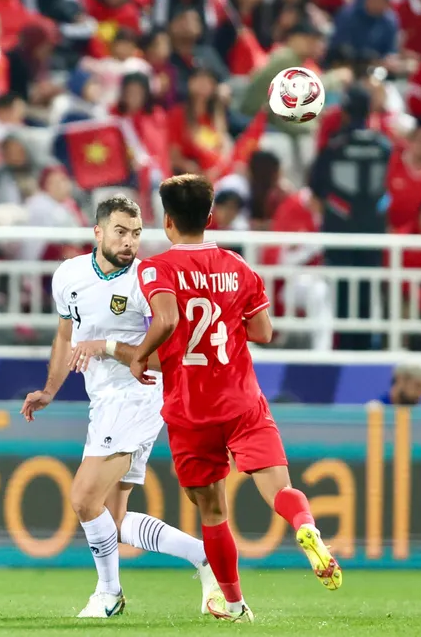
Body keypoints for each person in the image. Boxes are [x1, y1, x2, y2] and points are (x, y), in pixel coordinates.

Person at [69, 174, 343, 623]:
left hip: (190, 410)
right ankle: (306, 527)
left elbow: (168, 317)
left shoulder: (157, 269)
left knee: (213, 510)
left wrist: (136, 354)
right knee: (281, 489)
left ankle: (233, 603)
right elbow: (264, 332)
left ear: (167, 221)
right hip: (241, 400)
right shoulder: (238, 267)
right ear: (210, 218)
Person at [21, 196, 217, 618]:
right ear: (98, 232)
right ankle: (206, 556)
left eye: (136, 233)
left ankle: (109, 594)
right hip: (103, 401)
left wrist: (108, 348)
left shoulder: (147, 279)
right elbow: (64, 337)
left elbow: (171, 354)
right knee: (115, 518)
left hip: (137, 395)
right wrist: (51, 389)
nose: (129, 242)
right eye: (120, 232)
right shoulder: (69, 275)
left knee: (83, 497)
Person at [310, 85, 393, 350]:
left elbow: (316, 186)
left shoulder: (334, 145)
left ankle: (345, 345)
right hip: (373, 228)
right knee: (368, 289)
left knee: (343, 290)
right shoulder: (384, 146)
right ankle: (365, 344)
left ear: (344, 112)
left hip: (340, 227)